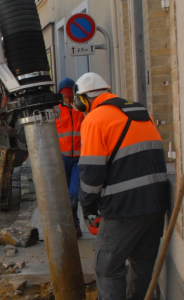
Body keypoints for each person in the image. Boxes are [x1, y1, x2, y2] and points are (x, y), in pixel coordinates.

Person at [75, 72, 169, 300]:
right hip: (157, 203)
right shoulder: (141, 112)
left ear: (84, 100)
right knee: (142, 266)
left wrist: (87, 208)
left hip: (124, 208)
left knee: (107, 268)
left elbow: (91, 173)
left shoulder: (95, 120)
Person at [55, 77, 85, 238]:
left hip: (79, 158)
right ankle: (73, 227)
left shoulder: (81, 109)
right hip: (64, 158)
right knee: (66, 196)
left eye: (69, 95)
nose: (67, 98)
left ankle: (74, 225)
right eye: (64, 95)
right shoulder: (56, 111)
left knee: (73, 194)